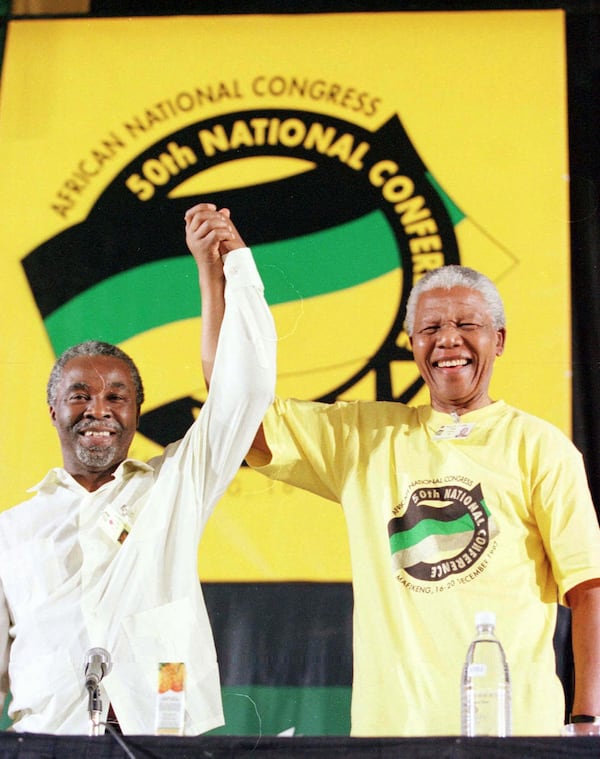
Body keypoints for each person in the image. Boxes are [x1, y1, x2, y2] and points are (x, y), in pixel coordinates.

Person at [240, 261, 600, 736]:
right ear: (413, 347)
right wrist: (223, 274)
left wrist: (587, 719)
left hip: (514, 735)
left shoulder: (540, 447)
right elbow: (240, 415)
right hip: (389, 737)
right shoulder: (366, 438)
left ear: (500, 339)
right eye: (430, 328)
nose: (447, 339)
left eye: (466, 325)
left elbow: (589, 587)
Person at [0, 204, 276, 735]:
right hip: (45, 743)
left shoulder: (174, 485)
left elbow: (239, 393)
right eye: (79, 395)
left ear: (136, 413)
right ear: (53, 410)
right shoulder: (13, 528)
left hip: (157, 739)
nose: (98, 409)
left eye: (116, 396)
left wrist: (221, 269)